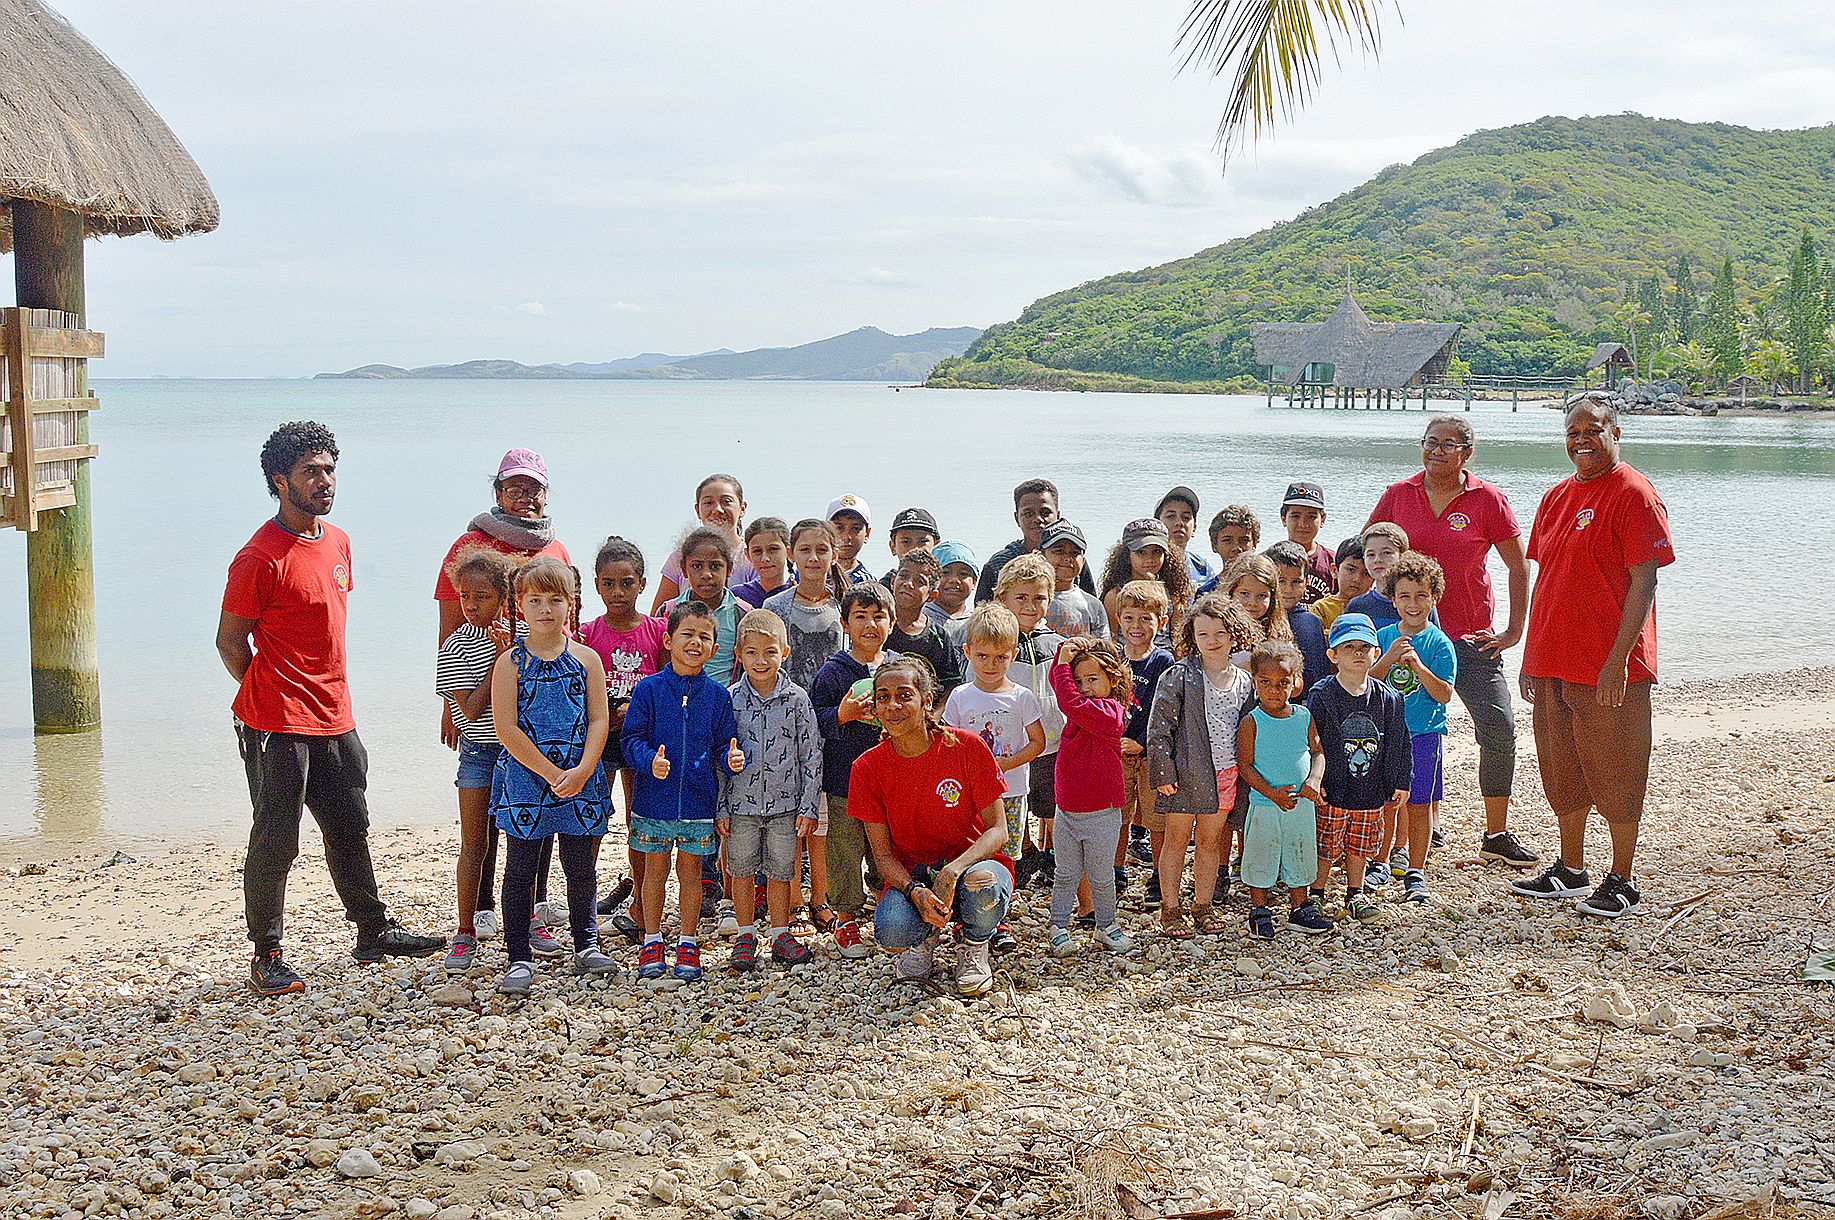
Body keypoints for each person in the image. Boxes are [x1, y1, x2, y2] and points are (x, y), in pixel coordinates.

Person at [220, 422, 444, 996]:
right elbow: (229, 642)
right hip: (275, 722)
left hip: (335, 712)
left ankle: (371, 931)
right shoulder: (258, 557)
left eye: (329, 469)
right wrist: (267, 693)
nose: (324, 481)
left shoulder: (340, 541)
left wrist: (316, 693)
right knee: (277, 836)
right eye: (310, 472)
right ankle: (266, 953)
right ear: (280, 481)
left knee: (351, 825)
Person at [1510, 401, 1673, 919]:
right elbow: (1549, 580)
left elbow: (1645, 580)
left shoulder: (1634, 492)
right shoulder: (1555, 496)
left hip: (1609, 664)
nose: (1582, 439)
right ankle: (1571, 867)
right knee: (1561, 766)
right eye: (1573, 431)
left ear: (1615, 432)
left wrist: (1618, 660)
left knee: (1618, 768)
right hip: (1554, 658)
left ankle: (1622, 878)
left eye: (1593, 430)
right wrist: (1530, 655)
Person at [1369, 415, 1539, 869]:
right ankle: (1411, 824)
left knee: (1500, 727)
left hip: (1471, 638)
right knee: (1404, 729)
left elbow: (1519, 567)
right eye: (1430, 442)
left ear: (1467, 451)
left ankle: (1496, 833)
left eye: (1448, 444)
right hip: (1409, 635)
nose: (1437, 451)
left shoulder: (1487, 499)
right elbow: (1367, 549)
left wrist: (1512, 632)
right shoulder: (1398, 495)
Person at [487, 558, 619, 996]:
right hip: (526, 780)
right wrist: (548, 771)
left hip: (582, 778)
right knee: (521, 870)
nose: (546, 608)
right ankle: (518, 956)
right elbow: (505, 726)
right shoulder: (510, 664)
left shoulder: (587, 659)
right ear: (519, 604)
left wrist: (582, 770)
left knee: (581, 867)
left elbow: (600, 718)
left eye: (555, 599)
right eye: (535, 600)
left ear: (571, 604)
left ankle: (586, 943)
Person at [851, 657, 1014, 997]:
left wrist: (954, 870)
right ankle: (923, 940)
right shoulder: (867, 767)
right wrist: (915, 891)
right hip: (914, 873)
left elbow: (999, 829)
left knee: (983, 885)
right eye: (883, 697)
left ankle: (974, 944)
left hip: (971, 866)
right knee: (892, 930)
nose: (893, 705)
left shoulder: (968, 747)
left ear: (926, 701)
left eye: (904, 695)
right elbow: (880, 855)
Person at [621, 599, 743, 981]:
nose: (695, 643)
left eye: (704, 637)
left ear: (715, 647)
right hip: (654, 800)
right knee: (654, 872)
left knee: (691, 873)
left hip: (698, 798)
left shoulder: (718, 695)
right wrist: (647, 762)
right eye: (686, 634)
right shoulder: (649, 690)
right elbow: (631, 739)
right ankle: (652, 939)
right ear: (668, 640)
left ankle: (688, 940)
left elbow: (726, 742)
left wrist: (731, 757)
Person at [435, 448, 572, 749]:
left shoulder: (557, 550)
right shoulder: (468, 546)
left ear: (546, 496)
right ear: (498, 495)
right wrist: (450, 707)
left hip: (544, 696)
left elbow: (569, 630)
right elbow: (449, 632)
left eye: (534, 489)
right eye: (514, 490)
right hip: (483, 702)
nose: (525, 497)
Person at [1145, 594, 1261, 938]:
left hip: (1226, 773)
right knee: (1176, 840)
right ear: (1192, 637)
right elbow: (1159, 726)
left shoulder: (1244, 681)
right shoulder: (1178, 675)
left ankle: (1203, 905)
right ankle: (1170, 909)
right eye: (1204, 634)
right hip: (1185, 772)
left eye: (1221, 633)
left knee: (1210, 842)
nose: (1213, 641)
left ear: (1234, 634)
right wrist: (1162, 771)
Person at [720, 610, 820, 970]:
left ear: (785, 652)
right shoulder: (728, 700)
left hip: (785, 806)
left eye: (770, 652)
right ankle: (745, 934)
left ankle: (780, 934)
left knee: (781, 871)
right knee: (742, 871)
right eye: (752, 652)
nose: (761, 661)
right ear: (739, 654)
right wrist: (720, 808)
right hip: (740, 806)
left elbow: (811, 753)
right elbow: (718, 756)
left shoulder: (797, 700)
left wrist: (808, 806)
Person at [578, 537, 666, 936]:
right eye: (609, 584)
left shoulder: (656, 630)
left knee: (639, 821)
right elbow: (575, 686)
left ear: (642, 584)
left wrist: (638, 711)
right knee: (592, 819)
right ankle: (583, 908)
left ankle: (641, 906)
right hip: (601, 734)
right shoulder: (586, 633)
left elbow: (666, 684)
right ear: (597, 584)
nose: (618, 592)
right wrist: (602, 714)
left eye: (627, 583)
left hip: (642, 737)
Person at [434, 549, 516, 975]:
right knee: (475, 844)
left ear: (503, 596)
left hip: (519, 754)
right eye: (465, 597)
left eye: (482, 597)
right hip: (479, 753)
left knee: (527, 843)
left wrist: (512, 651)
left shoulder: (522, 641)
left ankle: (526, 924)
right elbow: (468, 709)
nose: (471, 606)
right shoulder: (457, 645)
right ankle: (465, 930)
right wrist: (499, 663)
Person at [1306, 614, 1410, 922]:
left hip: (1371, 790)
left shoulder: (1389, 698)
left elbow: (1401, 743)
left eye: (1365, 647)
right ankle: (1317, 893)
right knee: (1326, 843)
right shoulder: (1322, 695)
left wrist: (1401, 781)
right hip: (1333, 788)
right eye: (1348, 647)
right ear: (1333, 655)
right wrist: (1315, 778)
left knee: (1360, 845)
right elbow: (1311, 741)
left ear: (1376, 653)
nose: (1357, 653)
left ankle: (1356, 893)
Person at [810, 581, 896, 951]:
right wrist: (841, 715)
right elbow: (814, 716)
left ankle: (887, 909)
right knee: (845, 847)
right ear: (845, 624)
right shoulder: (833, 670)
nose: (870, 625)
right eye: (860, 617)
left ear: (891, 623)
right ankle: (845, 918)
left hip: (891, 779)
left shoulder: (898, 668)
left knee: (888, 844)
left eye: (879, 616)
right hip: (844, 777)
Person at [943, 604, 1046, 900]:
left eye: (1000, 657)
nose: (991, 664)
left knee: (1008, 852)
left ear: (1013, 655)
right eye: (983, 656)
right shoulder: (961, 696)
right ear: (967, 652)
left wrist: (1008, 763)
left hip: (1011, 791)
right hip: (970, 794)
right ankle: (969, 908)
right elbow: (948, 742)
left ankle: (1001, 912)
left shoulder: (1021, 696)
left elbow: (1038, 742)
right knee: (972, 848)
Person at [1372, 551, 1457, 904]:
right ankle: (1380, 860)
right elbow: (1365, 681)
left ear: (1433, 598)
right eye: (1404, 596)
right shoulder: (1383, 635)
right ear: (1392, 599)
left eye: (1421, 596)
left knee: (1419, 805)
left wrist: (1419, 667)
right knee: (1386, 804)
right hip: (1386, 735)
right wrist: (1389, 657)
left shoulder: (1440, 643)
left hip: (1423, 736)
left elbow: (1445, 694)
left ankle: (1416, 869)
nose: (1413, 603)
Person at [1236, 641, 1331, 938]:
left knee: (1299, 852)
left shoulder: (1303, 717)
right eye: (1266, 683)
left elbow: (1318, 752)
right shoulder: (1252, 721)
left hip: (1300, 803)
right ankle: (1259, 910)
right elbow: (1245, 766)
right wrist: (1270, 792)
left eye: (1283, 683)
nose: (1274, 689)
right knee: (1261, 854)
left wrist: (1314, 780)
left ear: (1296, 682)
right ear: (1255, 682)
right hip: (1266, 804)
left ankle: (1299, 908)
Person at [1046, 638, 1134, 957]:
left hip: (1102, 814)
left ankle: (1106, 925)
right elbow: (1065, 696)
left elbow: (1068, 700)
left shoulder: (1111, 712)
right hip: (1067, 811)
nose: (1084, 687)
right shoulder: (1078, 714)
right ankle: (1058, 927)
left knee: (1101, 875)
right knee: (1065, 874)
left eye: (1092, 679)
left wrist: (1061, 666)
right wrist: (1061, 656)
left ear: (1114, 680)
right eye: (1079, 680)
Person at [996, 554, 1065, 908]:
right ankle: (1020, 855)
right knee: (1012, 808)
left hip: (1052, 741)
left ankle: (1050, 856)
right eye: (1021, 597)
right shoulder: (995, 643)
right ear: (1002, 598)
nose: (1030, 605)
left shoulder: (1055, 644)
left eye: (1039, 597)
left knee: (1050, 804)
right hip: (1012, 748)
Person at [1112, 581, 1174, 894]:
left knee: (1156, 818)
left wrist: (1141, 742)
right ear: (1119, 619)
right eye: (1130, 618)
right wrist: (1116, 740)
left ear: (1160, 622)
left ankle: (1159, 874)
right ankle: (1116, 869)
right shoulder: (1112, 659)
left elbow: (1159, 708)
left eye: (1146, 618)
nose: (1137, 626)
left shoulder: (1163, 662)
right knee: (1118, 815)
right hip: (1116, 751)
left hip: (1151, 753)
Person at [649, 474, 757, 613]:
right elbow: (657, 621)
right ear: (697, 510)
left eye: (726, 501)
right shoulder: (679, 557)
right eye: (708, 503)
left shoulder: (753, 557)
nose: (717, 509)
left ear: (742, 508)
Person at [974, 478, 1096, 602]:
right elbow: (982, 611)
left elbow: (1090, 603)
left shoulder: (1071, 561)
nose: (1037, 519)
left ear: (1058, 517)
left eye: (1045, 512)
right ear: (1017, 518)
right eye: (1028, 513)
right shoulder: (999, 564)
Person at [765, 519, 847, 693]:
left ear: (834, 556)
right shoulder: (775, 607)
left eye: (822, 550)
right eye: (805, 550)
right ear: (791, 554)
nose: (813, 558)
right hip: (788, 708)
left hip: (836, 707)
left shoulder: (844, 605)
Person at [668, 528, 746, 686]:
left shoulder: (742, 613)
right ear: (684, 569)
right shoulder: (668, 611)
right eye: (696, 566)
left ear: (729, 569)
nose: (706, 574)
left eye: (715, 566)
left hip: (724, 704)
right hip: (677, 702)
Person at [887, 550, 967, 700]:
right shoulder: (880, 627)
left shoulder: (938, 636)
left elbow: (952, 685)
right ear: (893, 581)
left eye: (919, 582)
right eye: (903, 576)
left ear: (932, 595)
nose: (908, 584)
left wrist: (934, 718)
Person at [1099, 518, 1190, 649]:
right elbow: (1111, 641)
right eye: (1141, 552)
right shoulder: (1114, 595)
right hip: (1127, 663)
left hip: (1165, 662)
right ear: (1127, 555)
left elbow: (1177, 640)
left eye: (1156, 552)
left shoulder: (1174, 593)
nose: (1150, 559)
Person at [1345, 522, 1438, 631]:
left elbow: (1435, 639)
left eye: (1386, 553)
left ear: (1403, 556)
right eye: (1371, 554)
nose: (1377, 559)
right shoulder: (1357, 606)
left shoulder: (1420, 603)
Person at [1265, 541, 1328, 693]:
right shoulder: (1261, 619)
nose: (1288, 589)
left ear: (1306, 582)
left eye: (1296, 582)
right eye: (1281, 581)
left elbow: (1320, 674)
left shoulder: (1311, 622)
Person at [1041, 520, 1109, 639]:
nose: (1067, 558)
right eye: (1059, 551)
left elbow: (1104, 647)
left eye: (1075, 553)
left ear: (1083, 560)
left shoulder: (1093, 605)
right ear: (1042, 555)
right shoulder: (1029, 599)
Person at [1221, 554, 1292, 654]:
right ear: (1231, 592)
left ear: (1272, 598)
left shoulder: (1279, 633)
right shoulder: (1219, 630)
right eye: (1244, 594)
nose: (1252, 603)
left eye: (1262, 596)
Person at [1278, 481, 1336, 605]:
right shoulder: (1268, 560)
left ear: (1323, 520)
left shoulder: (1334, 561)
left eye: (1311, 517)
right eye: (1295, 516)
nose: (1303, 524)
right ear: (1283, 519)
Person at [1306, 537, 1370, 633]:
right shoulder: (1322, 608)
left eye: (1366, 573)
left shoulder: (1374, 606)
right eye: (1351, 570)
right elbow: (1314, 640)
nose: (1357, 579)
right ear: (1335, 570)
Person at [924, 539, 979, 650]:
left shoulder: (979, 622)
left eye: (963, 574)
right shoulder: (921, 619)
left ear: (974, 582)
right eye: (945, 572)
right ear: (931, 579)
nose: (954, 580)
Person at [732, 517, 792, 609]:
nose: (765, 558)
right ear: (747, 555)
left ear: (788, 551)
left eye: (773, 549)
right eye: (757, 551)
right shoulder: (737, 597)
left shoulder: (797, 596)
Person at [1155, 485, 1211, 585]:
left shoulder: (1202, 567)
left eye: (1186, 517)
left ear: (1194, 528)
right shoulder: (1149, 564)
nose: (1179, 523)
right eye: (1171, 516)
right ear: (1157, 524)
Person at [1199, 505, 1261, 595]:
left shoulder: (1264, 587)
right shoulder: (1206, 592)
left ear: (1254, 544)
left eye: (1244, 540)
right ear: (1214, 546)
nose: (1237, 548)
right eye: (1227, 540)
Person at [880, 507, 941, 585]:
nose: (915, 548)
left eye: (923, 541)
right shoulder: (881, 592)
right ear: (893, 547)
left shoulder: (947, 589)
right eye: (906, 542)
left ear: (936, 546)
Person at [827, 494, 875, 586]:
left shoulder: (865, 581)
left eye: (855, 528)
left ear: (867, 533)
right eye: (839, 528)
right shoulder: (806, 572)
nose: (847, 536)